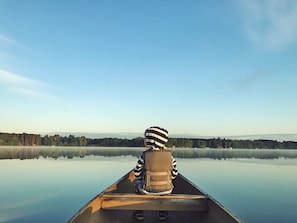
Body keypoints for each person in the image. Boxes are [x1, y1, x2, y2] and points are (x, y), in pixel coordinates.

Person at [133, 126, 178, 221]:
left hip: (147, 191)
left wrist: (142, 177)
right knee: (169, 184)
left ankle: (139, 212)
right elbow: (174, 175)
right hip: (166, 190)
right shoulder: (170, 156)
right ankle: (163, 212)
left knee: (137, 184)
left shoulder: (144, 155)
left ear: (151, 140)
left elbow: (136, 174)